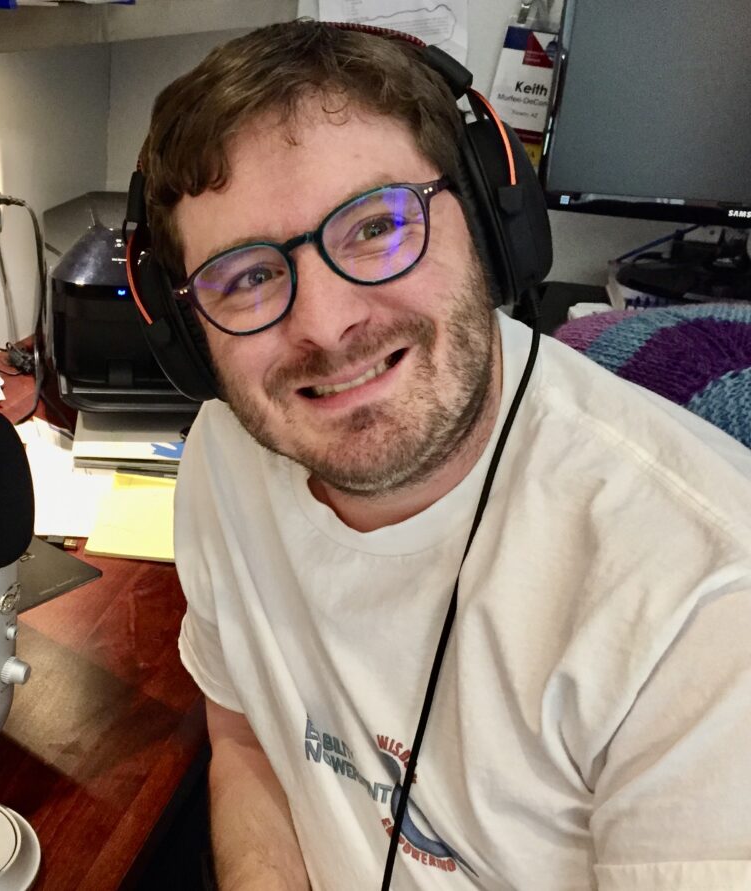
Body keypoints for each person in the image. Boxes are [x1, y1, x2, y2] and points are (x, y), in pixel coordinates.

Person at [136, 20, 751, 890]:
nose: (324, 323)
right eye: (247, 275)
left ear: (494, 226)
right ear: (188, 334)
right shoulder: (224, 458)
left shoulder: (706, 604)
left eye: (374, 226)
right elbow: (245, 734)